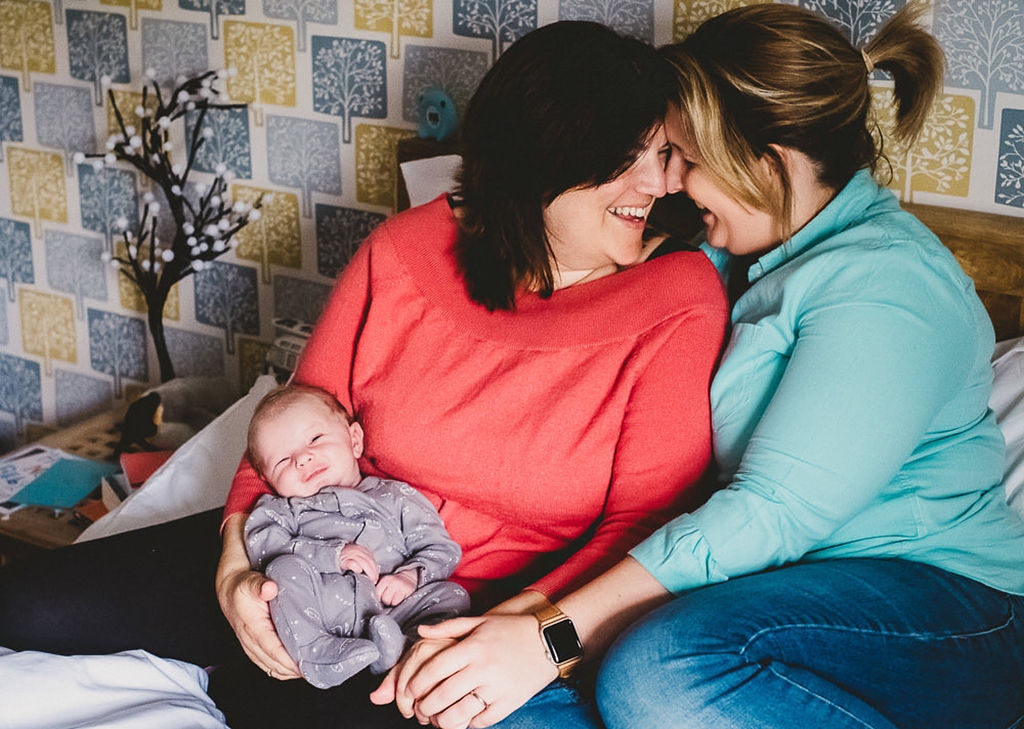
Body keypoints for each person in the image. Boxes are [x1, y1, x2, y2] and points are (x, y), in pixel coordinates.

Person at [0, 20, 728, 729]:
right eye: (631, 157)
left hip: (442, 605)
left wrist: (523, 630)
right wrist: (233, 571)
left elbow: (646, 524)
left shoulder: (678, 297)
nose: (660, 184)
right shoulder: (408, 248)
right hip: (301, 539)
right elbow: (290, 419)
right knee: (25, 605)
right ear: (544, 159)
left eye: (664, 154)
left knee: (288, 708)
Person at [381, 5, 1024, 729]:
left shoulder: (890, 285)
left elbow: (770, 512)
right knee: (497, 708)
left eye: (689, 158)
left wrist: (550, 632)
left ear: (768, 164)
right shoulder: (734, 259)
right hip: (763, 599)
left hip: (943, 608)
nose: (674, 182)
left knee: (657, 672)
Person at [243, 384, 469, 689]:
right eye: (283, 460)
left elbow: (438, 547)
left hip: (395, 609)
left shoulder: (395, 496)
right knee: (281, 570)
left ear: (354, 440)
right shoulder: (282, 509)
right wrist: (331, 554)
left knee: (453, 595)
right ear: (267, 479)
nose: (303, 459)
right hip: (321, 609)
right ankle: (316, 651)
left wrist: (409, 578)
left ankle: (401, 646)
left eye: (315, 439)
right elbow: (263, 546)